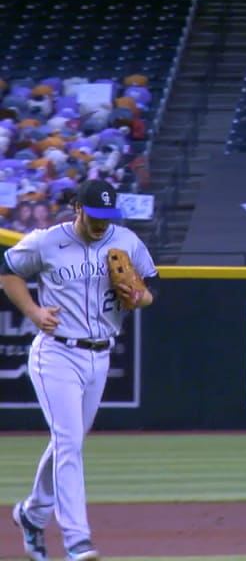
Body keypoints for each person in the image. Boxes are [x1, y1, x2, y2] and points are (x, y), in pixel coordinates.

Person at [3, 179, 158, 561]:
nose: (102, 223)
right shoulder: (46, 241)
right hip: (56, 354)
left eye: (108, 215)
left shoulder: (126, 241)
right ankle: (77, 539)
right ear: (78, 208)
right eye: (95, 215)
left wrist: (139, 296)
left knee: (67, 443)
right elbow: (7, 270)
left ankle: (31, 514)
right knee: (70, 443)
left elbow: (151, 290)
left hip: (100, 356)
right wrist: (34, 312)